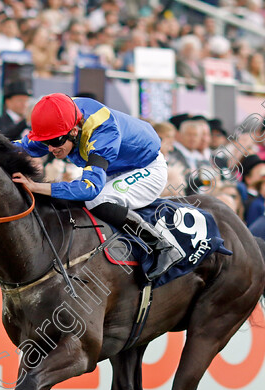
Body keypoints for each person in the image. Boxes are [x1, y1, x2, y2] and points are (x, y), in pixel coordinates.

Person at [10, 93, 182, 281]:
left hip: (146, 167)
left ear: (74, 131)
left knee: (97, 199)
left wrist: (37, 187)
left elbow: (90, 188)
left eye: (55, 142)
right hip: (114, 165)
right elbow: (20, 147)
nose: (50, 149)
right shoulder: (60, 121)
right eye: (46, 142)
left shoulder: (102, 132)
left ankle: (161, 246)